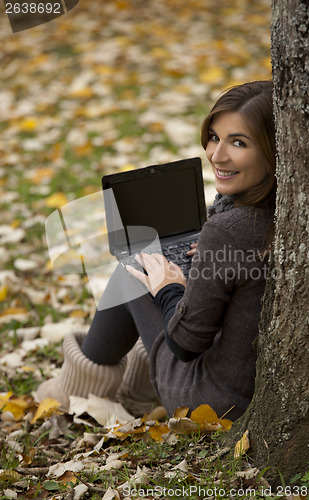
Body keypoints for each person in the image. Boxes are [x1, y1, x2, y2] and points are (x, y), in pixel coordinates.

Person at [36, 80, 276, 421]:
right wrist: (208, 266)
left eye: (238, 142)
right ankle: (135, 387)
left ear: (273, 149)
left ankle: (74, 389)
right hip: (246, 383)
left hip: (209, 399)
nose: (216, 155)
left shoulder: (227, 230)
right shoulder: (284, 211)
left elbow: (186, 344)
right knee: (153, 265)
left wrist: (170, 288)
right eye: (214, 137)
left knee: (135, 268)